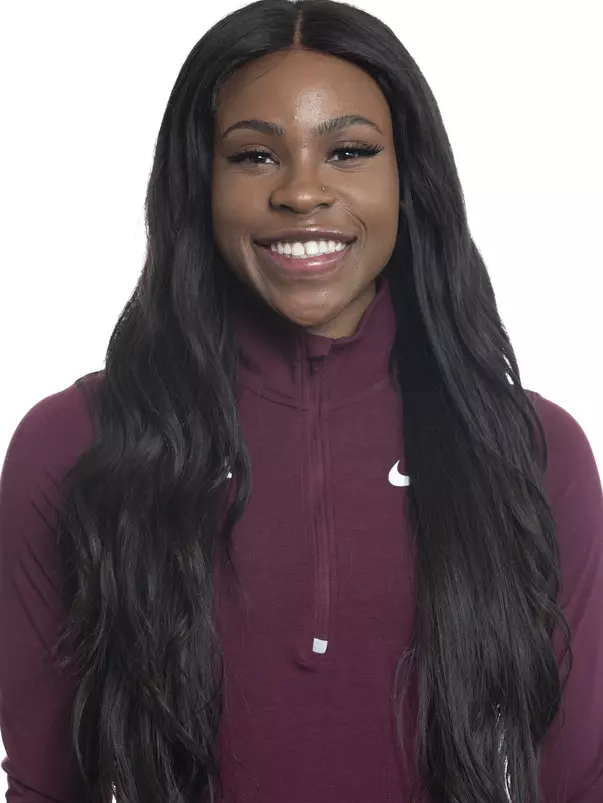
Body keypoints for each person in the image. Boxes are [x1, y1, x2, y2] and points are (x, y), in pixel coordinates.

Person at [1, 0, 601, 801]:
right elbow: (44, 785)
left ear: (407, 181)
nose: (302, 193)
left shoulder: (532, 451)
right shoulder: (73, 443)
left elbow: (578, 779)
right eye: (253, 157)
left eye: (348, 150)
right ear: (198, 185)